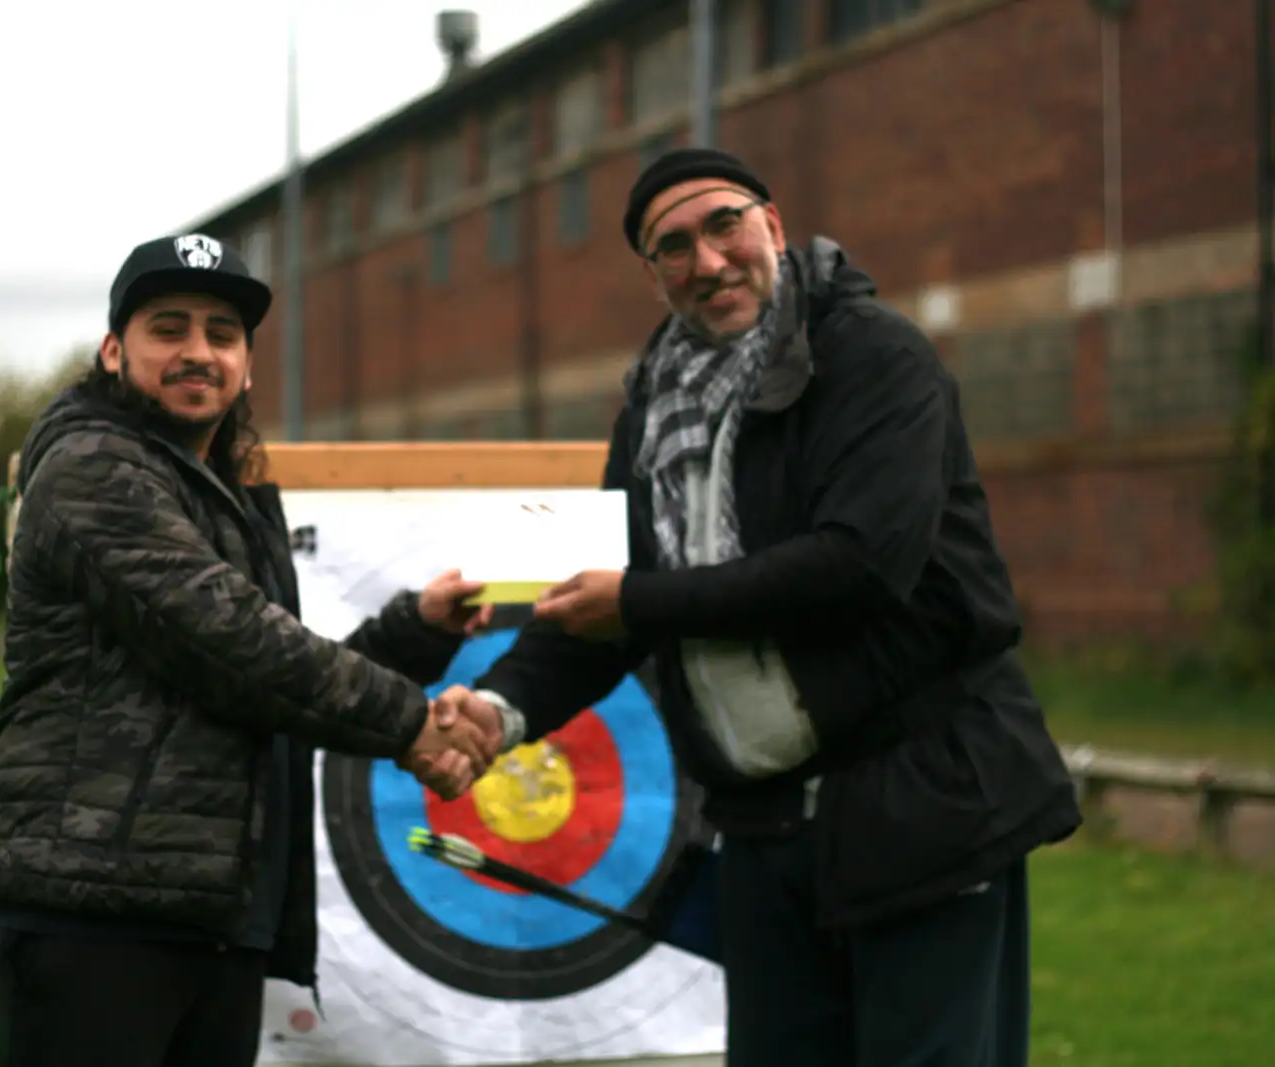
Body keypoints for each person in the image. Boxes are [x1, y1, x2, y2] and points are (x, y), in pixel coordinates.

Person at [436, 148, 1082, 1067]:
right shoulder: (653, 404)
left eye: (723, 225)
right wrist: (494, 711)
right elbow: (608, 600)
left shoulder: (873, 355)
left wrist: (640, 599)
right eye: (672, 247)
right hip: (767, 828)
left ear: (772, 225)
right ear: (651, 274)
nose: (706, 261)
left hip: (923, 802)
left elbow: (857, 565)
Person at [0, 233, 503, 1067]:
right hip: (95, 915)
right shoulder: (91, 465)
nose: (197, 352)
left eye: (221, 334)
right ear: (113, 351)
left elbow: (252, 680)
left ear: (248, 365)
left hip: (205, 913)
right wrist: (413, 724)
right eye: (167, 328)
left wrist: (413, 632)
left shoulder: (221, 495)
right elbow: (232, 642)